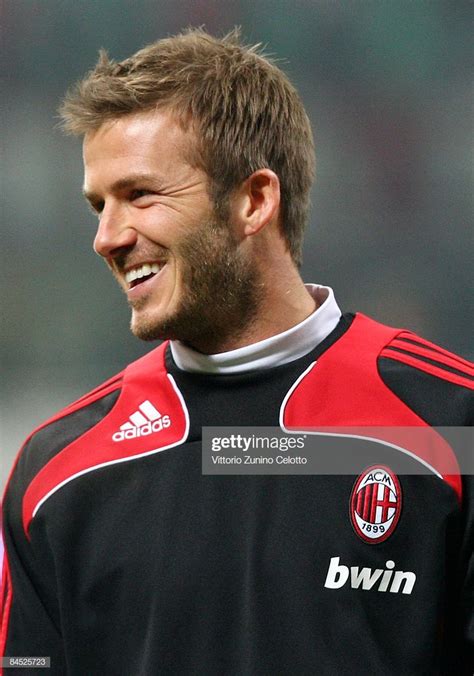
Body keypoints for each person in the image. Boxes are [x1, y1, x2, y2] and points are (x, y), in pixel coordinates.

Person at [1, 28, 472, 675]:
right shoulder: (57, 475)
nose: (107, 237)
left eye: (140, 195)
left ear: (254, 200)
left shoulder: (451, 428)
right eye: (98, 206)